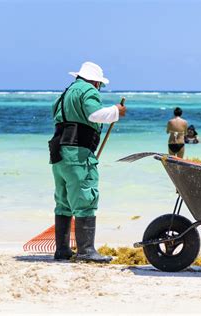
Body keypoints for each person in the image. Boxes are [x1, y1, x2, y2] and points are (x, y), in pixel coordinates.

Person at [49, 61, 126, 263]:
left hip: (58, 152)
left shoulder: (65, 93)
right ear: (94, 81)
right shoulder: (88, 91)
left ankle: (62, 250)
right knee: (86, 198)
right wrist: (116, 111)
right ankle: (86, 250)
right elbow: (95, 114)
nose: (98, 87)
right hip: (77, 153)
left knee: (63, 201)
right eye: (99, 84)